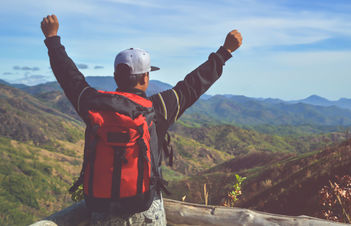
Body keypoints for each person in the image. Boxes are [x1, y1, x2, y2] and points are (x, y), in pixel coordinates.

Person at [41, 14, 242, 225]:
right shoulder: (157, 109)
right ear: (145, 77)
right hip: (147, 211)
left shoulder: (93, 105)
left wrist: (52, 38)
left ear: (116, 76)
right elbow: (192, 86)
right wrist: (224, 52)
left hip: (102, 213)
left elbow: (69, 77)